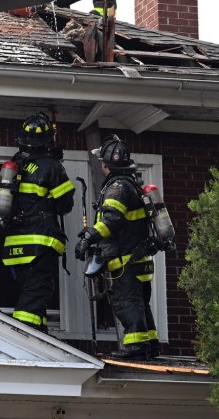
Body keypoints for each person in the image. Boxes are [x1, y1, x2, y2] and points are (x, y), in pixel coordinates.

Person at [75, 135, 161, 360]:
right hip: (139, 259)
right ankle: (150, 344)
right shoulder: (131, 184)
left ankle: (136, 347)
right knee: (141, 303)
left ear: (105, 165)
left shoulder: (117, 187)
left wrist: (88, 238)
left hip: (126, 261)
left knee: (126, 303)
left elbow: (111, 220)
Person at [0, 112, 75, 331]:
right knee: (37, 291)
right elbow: (65, 206)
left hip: (15, 243)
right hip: (40, 241)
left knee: (29, 290)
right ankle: (24, 335)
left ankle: (39, 332)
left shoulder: (15, 164)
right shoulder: (51, 167)